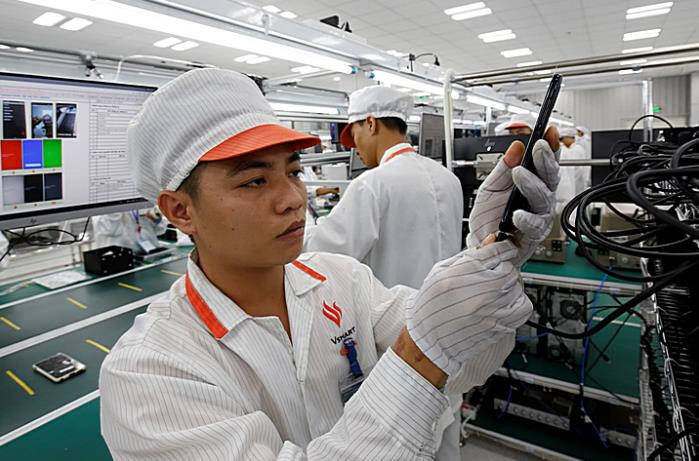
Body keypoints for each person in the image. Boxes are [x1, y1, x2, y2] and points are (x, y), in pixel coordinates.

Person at [99, 68, 560, 460]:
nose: (293, 199)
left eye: (294, 171)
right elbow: (428, 355)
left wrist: (490, 263)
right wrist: (421, 354)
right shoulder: (149, 373)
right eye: (255, 180)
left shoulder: (342, 279)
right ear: (180, 211)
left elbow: (465, 366)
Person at [303, 86, 463, 290]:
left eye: (354, 134)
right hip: (446, 303)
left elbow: (324, 253)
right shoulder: (449, 178)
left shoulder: (371, 185)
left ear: (371, 124)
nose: (355, 147)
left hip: (396, 308)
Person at [92, 207, 167, 254]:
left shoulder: (141, 198)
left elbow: (160, 230)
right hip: (121, 260)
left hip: (149, 255)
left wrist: (156, 218)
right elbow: (110, 230)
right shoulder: (101, 205)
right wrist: (117, 206)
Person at [557, 126, 590, 207]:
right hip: (572, 184)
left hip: (577, 183)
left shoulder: (577, 149)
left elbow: (578, 170)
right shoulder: (566, 149)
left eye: (563, 138)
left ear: (570, 137)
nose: (562, 141)